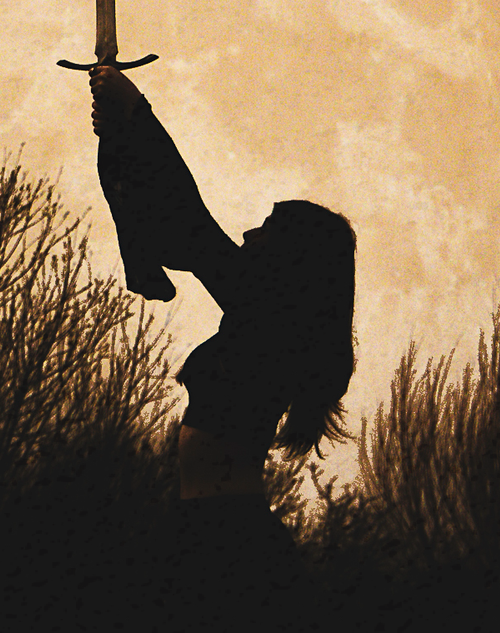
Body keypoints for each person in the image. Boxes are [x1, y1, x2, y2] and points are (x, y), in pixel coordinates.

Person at [88, 64, 357, 512]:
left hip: (225, 527)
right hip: (215, 520)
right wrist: (124, 133)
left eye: (267, 229)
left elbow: (189, 222)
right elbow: (186, 225)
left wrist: (137, 113)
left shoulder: (265, 316)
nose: (250, 235)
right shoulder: (259, 312)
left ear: (292, 257)